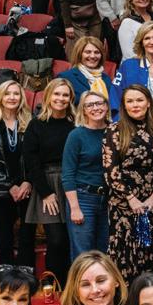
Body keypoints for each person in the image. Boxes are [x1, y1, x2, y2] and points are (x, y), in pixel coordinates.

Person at [103, 87, 153, 279]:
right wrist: (131, 198)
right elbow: (111, 170)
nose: (135, 105)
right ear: (124, 106)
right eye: (129, 101)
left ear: (148, 103)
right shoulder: (114, 130)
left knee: (151, 252)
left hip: (152, 204)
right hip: (124, 205)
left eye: (139, 100)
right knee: (126, 255)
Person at [0, 80, 37, 270]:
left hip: (28, 189)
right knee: (3, 237)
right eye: (7, 93)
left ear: (21, 98)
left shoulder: (32, 125)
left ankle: (26, 275)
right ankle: (4, 276)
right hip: (1, 191)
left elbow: (37, 157)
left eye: (16, 93)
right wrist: (9, 186)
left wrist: (28, 182)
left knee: (27, 236)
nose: (12, 97)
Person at [25, 80, 77, 274]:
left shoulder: (75, 124)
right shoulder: (36, 124)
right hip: (47, 183)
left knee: (72, 239)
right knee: (56, 240)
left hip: (73, 182)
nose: (60, 99)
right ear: (47, 96)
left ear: (71, 98)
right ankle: (54, 283)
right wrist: (46, 193)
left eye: (65, 95)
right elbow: (31, 162)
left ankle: (72, 284)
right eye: (57, 94)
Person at [62, 91, 112, 257]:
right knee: (83, 254)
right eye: (89, 105)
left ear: (106, 106)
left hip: (110, 199)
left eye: (99, 103)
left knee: (105, 253)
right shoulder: (76, 135)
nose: (95, 108)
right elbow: (68, 174)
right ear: (83, 110)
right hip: (84, 199)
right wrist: (75, 208)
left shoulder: (114, 131)